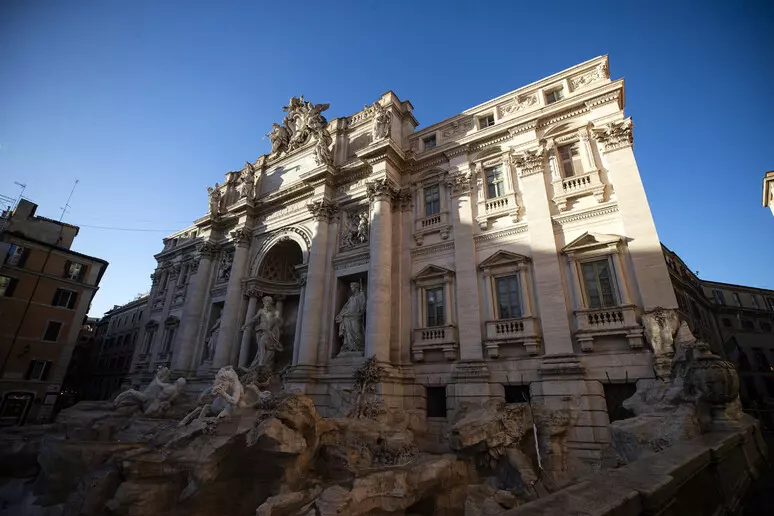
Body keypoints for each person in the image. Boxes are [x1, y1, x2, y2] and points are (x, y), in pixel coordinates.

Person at [243, 296, 283, 370]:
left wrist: (276, 319)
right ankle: (259, 362)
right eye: (266, 302)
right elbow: (254, 319)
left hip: (268, 331)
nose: (267, 303)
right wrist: (245, 325)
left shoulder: (274, 313)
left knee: (262, 343)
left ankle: (261, 363)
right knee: (260, 348)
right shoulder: (261, 311)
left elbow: (279, 323)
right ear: (264, 302)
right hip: (260, 330)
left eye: (269, 302)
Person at [336, 282, 366, 353]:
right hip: (348, 317)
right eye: (351, 287)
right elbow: (346, 307)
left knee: (357, 332)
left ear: (356, 287)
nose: (351, 288)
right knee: (348, 333)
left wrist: (362, 296)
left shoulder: (361, 295)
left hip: (357, 317)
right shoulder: (351, 298)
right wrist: (341, 314)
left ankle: (359, 347)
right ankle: (349, 346)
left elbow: (362, 307)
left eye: (352, 287)